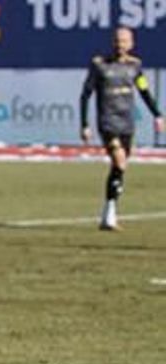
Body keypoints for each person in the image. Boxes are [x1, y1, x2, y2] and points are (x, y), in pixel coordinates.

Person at [80, 26, 164, 231]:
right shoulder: (99, 65)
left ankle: (108, 213)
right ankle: (109, 216)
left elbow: (144, 91)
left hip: (127, 123)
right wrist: (84, 124)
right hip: (107, 122)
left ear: (131, 44)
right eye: (118, 40)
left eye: (124, 41)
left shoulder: (135, 66)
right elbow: (85, 94)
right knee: (119, 159)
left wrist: (157, 115)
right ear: (113, 42)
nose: (120, 44)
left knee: (120, 167)